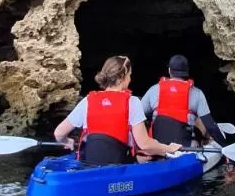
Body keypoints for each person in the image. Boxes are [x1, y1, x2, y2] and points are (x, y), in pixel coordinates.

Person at [54, 55, 182, 165]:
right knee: (148, 156)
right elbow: (145, 144)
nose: (130, 79)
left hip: (89, 164)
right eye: (129, 75)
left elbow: (59, 133)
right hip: (118, 165)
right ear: (122, 78)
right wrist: (168, 148)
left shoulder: (87, 101)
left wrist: (67, 141)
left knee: (141, 156)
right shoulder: (132, 102)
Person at [141, 54, 228, 148]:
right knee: (200, 121)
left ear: (169, 70)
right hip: (184, 148)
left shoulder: (154, 89)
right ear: (187, 71)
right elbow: (210, 125)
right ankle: (205, 142)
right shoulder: (197, 93)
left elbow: (138, 117)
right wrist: (225, 146)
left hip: (157, 147)